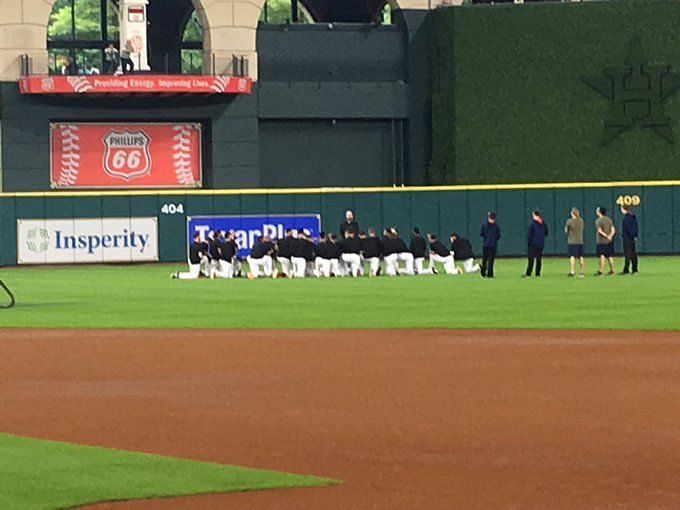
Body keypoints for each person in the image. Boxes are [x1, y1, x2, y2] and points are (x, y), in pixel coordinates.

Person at [524, 210, 548, 278]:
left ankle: (528, 273)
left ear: (534, 215)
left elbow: (530, 235)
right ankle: (538, 273)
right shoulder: (543, 223)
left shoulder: (532, 224)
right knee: (539, 259)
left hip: (533, 244)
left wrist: (529, 242)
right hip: (540, 244)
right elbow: (546, 232)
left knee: (531, 259)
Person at [595, 206, 616, 276]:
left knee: (602, 255)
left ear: (600, 212)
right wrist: (610, 236)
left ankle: (601, 271)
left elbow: (599, 230)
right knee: (610, 256)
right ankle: (612, 270)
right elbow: (613, 229)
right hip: (609, 241)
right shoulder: (609, 220)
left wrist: (606, 236)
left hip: (601, 241)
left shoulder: (598, 220)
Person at [565, 207, 585, 278]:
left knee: (572, 257)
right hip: (580, 241)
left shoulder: (569, 221)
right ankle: (582, 272)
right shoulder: (581, 221)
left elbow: (566, 231)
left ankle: (572, 271)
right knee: (581, 257)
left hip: (572, 241)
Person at [480, 212, 501, 278]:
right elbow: (498, 236)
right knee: (490, 260)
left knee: (485, 260)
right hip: (492, 245)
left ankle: (484, 272)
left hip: (486, 245)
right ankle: (489, 274)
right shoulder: (496, 226)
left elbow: (481, 234)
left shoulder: (484, 225)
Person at [621, 204, 639, 275]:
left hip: (627, 239)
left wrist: (631, 236)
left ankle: (626, 270)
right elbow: (635, 228)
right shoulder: (633, 217)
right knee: (633, 254)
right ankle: (635, 269)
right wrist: (635, 236)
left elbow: (628, 229)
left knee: (628, 255)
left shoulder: (626, 219)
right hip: (632, 239)